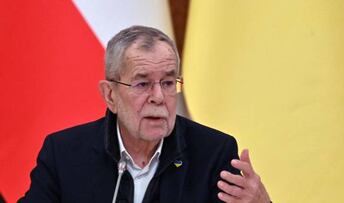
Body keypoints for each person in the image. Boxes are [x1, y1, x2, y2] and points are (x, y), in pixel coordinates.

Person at [19, 25, 271, 203]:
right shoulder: (63, 153)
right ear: (110, 95)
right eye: (142, 84)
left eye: (169, 83)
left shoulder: (213, 153)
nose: (159, 97)